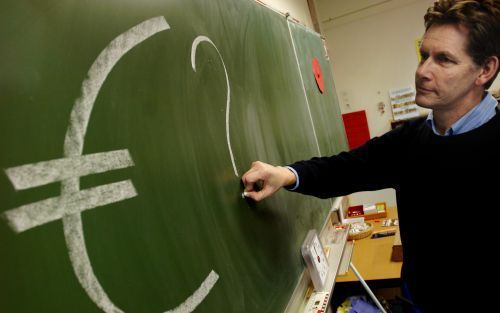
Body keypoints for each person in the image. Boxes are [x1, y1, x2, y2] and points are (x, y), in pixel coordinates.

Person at [242, 0, 499, 312]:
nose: (422, 72)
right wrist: (286, 174)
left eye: (443, 60)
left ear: (485, 70)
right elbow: (345, 169)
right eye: (423, 56)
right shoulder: (411, 141)